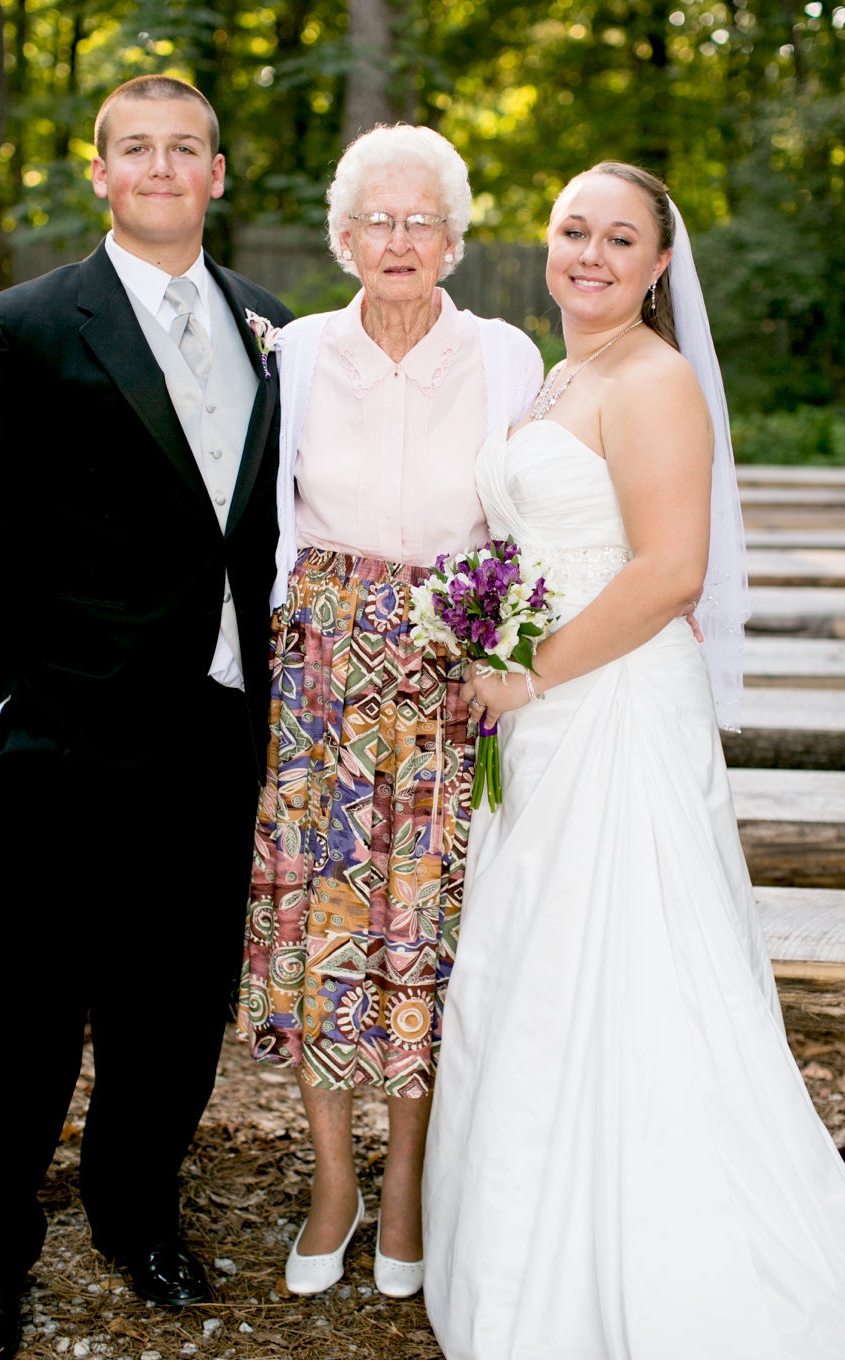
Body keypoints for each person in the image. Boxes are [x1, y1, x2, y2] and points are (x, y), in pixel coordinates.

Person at [423, 162, 845, 1359]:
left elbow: (671, 570)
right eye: (572, 228)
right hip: (549, 713)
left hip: (611, 709)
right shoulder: (563, 372)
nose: (589, 252)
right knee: (539, 973)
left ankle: (662, 1268)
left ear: (659, 264)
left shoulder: (658, 378)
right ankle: (528, 1249)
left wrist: (531, 669)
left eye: (619, 238)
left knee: (633, 970)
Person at [0, 75, 291, 1361]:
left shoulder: (272, 328)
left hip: (210, 735)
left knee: (173, 1010)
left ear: (217, 172)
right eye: (134, 148)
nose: (158, 165)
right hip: (53, 740)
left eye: (182, 147)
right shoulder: (23, 326)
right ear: (100, 173)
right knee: (12, 1019)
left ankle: (134, 1215)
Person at [236, 124, 544, 1300]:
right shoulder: (299, 351)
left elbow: (532, 520)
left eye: (422, 220)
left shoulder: (508, 356)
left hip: (448, 673)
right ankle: (332, 1182)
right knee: (323, 927)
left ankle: (406, 1184)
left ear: (456, 237)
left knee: (424, 927)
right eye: (378, 219)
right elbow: (256, 517)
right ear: (343, 236)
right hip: (320, 673)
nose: (400, 240)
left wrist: (512, 654)